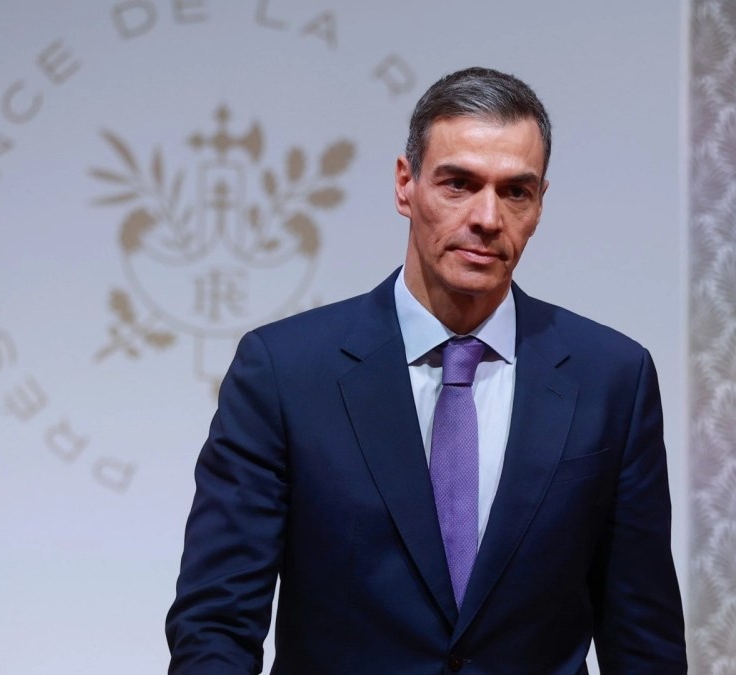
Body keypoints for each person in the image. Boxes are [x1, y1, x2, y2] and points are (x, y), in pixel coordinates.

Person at [165, 66, 686, 674]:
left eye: (515, 192)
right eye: (458, 184)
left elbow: (643, 637)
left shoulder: (612, 379)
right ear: (405, 185)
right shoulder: (284, 373)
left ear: (541, 203)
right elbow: (217, 623)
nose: (487, 217)